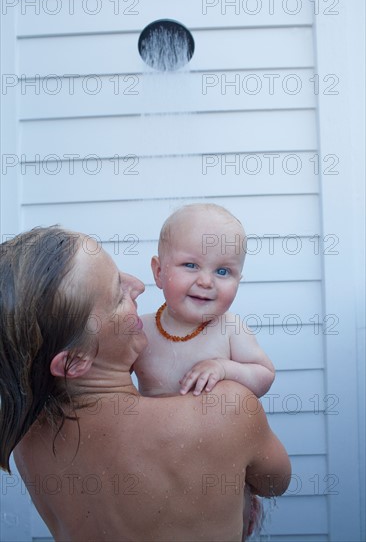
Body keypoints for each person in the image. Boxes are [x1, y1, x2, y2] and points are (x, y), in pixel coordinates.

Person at [0, 227, 291, 541]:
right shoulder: (228, 409)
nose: (137, 286)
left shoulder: (27, 441)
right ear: (74, 361)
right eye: (117, 295)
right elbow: (276, 482)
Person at [134, 203, 275, 398]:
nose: (206, 282)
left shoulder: (230, 329)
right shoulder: (141, 331)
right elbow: (110, 378)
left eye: (222, 271)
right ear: (159, 272)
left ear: (238, 281)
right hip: (156, 427)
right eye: (191, 265)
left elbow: (264, 376)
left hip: (214, 429)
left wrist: (223, 369)